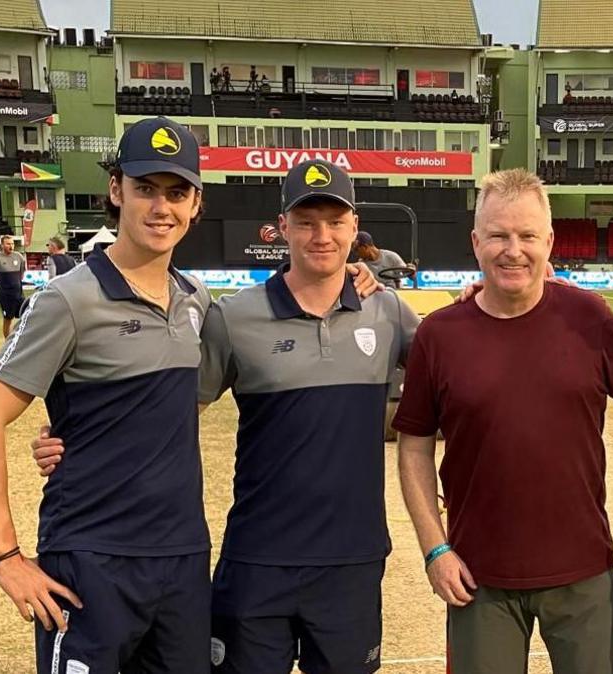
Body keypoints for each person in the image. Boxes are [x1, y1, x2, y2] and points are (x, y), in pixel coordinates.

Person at [27, 162, 391, 674]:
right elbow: (168, 405)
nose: (322, 235)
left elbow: (452, 367)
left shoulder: (390, 312)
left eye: (335, 221)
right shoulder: (229, 316)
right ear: (282, 227)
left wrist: (479, 296)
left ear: (355, 226)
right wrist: (77, 439)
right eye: (306, 221)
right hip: (256, 560)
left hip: (352, 559)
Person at [0, 116, 215, 674]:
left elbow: (167, 408)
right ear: (116, 189)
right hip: (91, 561)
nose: (160, 208)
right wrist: (5, 557)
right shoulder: (67, 299)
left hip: (182, 561)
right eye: (145, 188)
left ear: (196, 203)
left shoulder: (196, 298)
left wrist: (359, 279)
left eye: (177, 192)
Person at [394, 168, 613, 674]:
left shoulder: (589, 318)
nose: (514, 250)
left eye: (528, 235)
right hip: (477, 580)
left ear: (549, 241)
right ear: (476, 241)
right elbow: (413, 445)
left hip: (583, 574)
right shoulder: (439, 335)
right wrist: (434, 548)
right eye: (499, 235)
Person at [0, 234, 27, 338]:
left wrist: (17, 283)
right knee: (8, 319)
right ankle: (7, 342)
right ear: (2, 245)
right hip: (5, 296)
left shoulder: (19, 257)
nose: (11, 246)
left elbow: (22, 272)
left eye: (12, 243)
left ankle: (21, 338)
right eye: (8, 244)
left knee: (25, 316)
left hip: (19, 294)